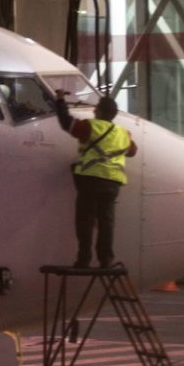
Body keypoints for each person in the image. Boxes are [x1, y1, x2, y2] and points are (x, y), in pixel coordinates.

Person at [54, 90, 138, 269]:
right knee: (106, 222)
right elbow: (132, 151)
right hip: (113, 183)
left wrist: (60, 101)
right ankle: (106, 260)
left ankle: (84, 259)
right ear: (114, 114)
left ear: (98, 111)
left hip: (91, 180)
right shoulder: (124, 134)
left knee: (85, 220)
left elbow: (66, 124)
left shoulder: (91, 127)